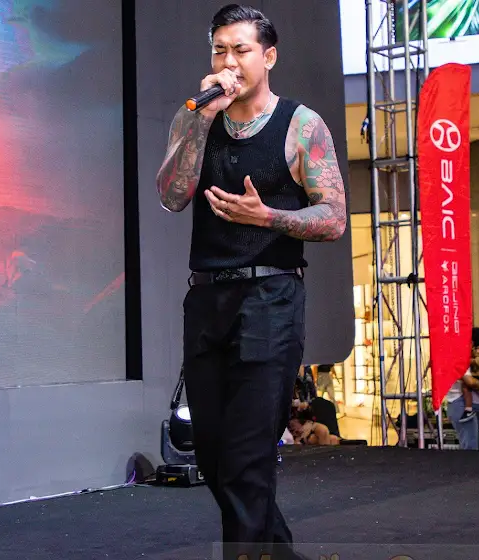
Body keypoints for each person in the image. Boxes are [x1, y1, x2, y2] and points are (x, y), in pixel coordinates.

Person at [155, 4, 347, 559]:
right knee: (215, 455)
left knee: (247, 456)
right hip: (207, 298)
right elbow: (171, 196)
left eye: (240, 49)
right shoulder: (195, 116)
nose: (228, 61)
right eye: (219, 50)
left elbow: (333, 218)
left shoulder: (301, 125)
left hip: (271, 296)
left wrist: (268, 217)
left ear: (269, 56)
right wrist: (200, 121)